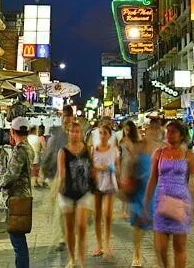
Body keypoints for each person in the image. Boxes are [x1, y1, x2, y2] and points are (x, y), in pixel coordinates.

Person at [143, 120, 194, 268]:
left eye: (173, 131)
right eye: (168, 131)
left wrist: (191, 204)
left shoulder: (188, 155)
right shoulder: (159, 153)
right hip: (162, 203)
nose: (170, 134)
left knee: (179, 247)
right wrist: (146, 202)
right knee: (161, 248)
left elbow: (192, 181)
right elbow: (152, 179)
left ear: (181, 135)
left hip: (180, 204)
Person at [0, 117, 34, 268]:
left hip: (17, 198)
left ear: (12, 132)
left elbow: (12, 176)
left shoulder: (19, 150)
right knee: (19, 238)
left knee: (17, 240)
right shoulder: (28, 148)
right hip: (23, 196)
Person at [58, 119, 94, 268]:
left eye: (77, 132)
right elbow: (61, 173)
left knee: (82, 227)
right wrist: (58, 187)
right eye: (72, 131)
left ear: (81, 133)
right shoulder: (63, 151)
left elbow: (91, 168)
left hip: (83, 192)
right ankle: (72, 259)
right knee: (70, 228)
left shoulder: (87, 149)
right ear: (68, 133)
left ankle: (82, 261)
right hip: (67, 193)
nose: (75, 134)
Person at [121, 120, 153, 268]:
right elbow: (130, 163)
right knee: (138, 223)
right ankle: (136, 253)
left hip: (151, 187)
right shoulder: (137, 144)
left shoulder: (158, 146)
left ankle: (142, 252)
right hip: (138, 185)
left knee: (148, 221)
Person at [44, 105, 75, 251]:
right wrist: (44, 171)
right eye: (65, 116)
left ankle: (66, 235)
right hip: (58, 177)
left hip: (73, 179)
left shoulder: (76, 133)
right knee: (59, 209)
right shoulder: (56, 135)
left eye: (69, 116)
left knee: (68, 210)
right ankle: (61, 238)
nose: (67, 119)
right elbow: (50, 153)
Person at [92, 119, 120, 258]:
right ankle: (99, 245)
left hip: (110, 185)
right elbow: (90, 166)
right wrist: (99, 167)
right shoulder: (94, 149)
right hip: (97, 185)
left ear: (109, 135)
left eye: (105, 133)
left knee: (107, 215)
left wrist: (114, 170)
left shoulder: (114, 150)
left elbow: (118, 167)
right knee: (97, 215)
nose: (102, 135)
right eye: (100, 133)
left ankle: (108, 244)